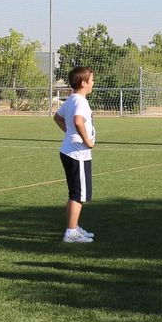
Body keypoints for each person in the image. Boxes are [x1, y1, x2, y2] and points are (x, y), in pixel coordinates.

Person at [53, 66, 98, 243]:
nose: (93, 83)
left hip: (69, 150)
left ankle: (74, 227)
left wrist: (68, 132)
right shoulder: (80, 101)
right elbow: (78, 121)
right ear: (83, 82)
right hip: (77, 153)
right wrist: (87, 141)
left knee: (75, 192)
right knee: (78, 194)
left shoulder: (72, 99)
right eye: (91, 80)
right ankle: (71, 232)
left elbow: (57, 117)